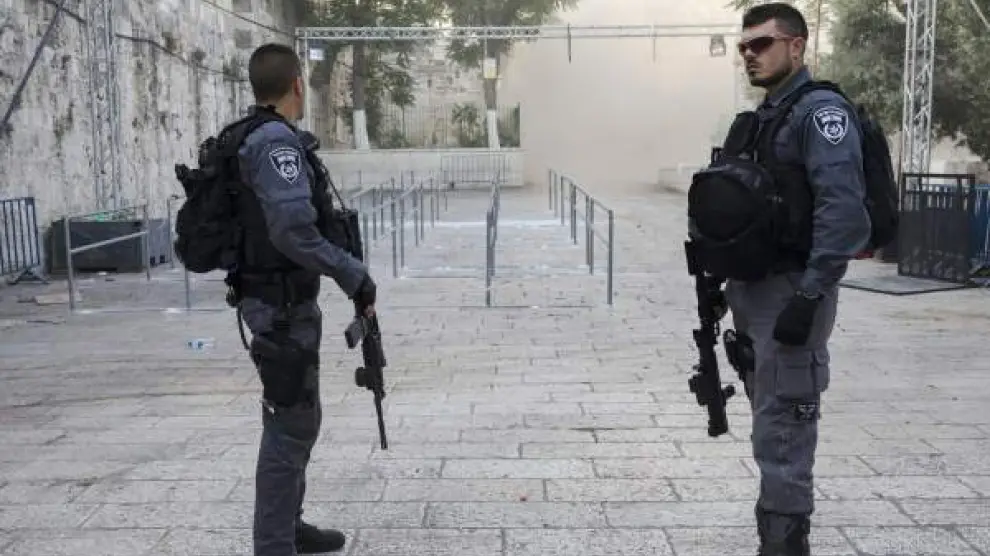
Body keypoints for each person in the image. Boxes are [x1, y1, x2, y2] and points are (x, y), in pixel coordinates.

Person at [722, 4, 872, 555]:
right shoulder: (763, 118)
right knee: (770, 416)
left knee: (785, 423)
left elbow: (844, 213)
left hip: (792, 290)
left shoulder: (821, 114)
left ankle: (785, 543)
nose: (749, 55)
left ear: (796, 46)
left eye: (761, 44)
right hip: (754, 290)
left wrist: (811, 294)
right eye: (744, 47)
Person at [232, 43, 377, 555]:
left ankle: (288, 526)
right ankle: (275, 543)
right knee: (290, 422)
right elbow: (293, 231)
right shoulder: (276, 143)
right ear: (297, 85)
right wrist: (352, 273)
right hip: (281, 306)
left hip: (278, 300)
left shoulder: (257, 135)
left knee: (296, 416)